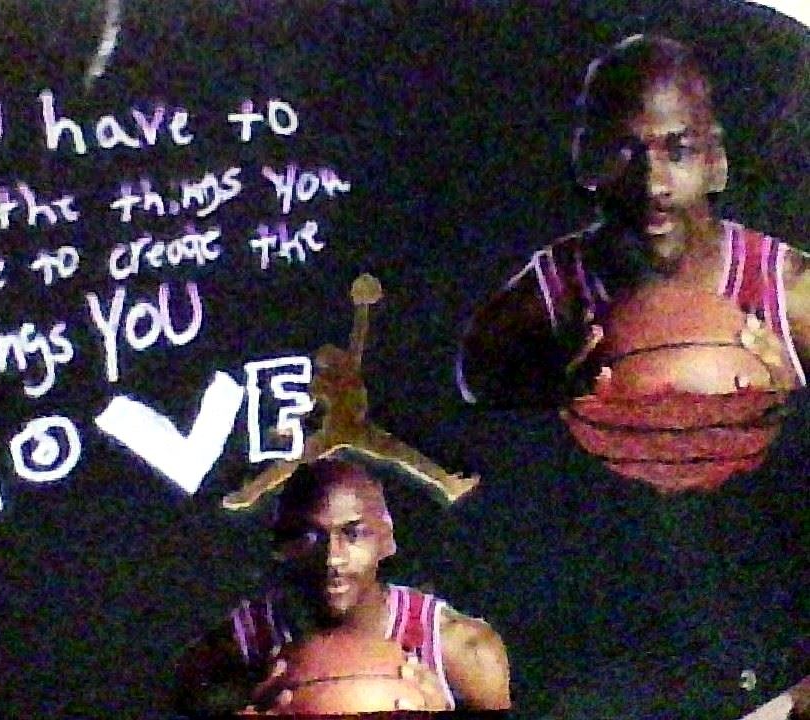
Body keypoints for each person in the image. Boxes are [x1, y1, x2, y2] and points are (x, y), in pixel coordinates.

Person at [456, 34, 809, 409]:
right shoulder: (554, 294)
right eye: (623, 153)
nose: (652, 185)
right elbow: (473, 387)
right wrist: (556, 396)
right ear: (587, 160)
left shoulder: (789, 292)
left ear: (716, 162)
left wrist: (794, 407)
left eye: (679, 151)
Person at [170, 459, 510, 716]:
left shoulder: (463, 651)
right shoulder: (239, 647)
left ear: (386, 541)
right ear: (281, 546)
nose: (332, 558)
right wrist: (246, 697)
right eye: (309, 536)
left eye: (353, 534)